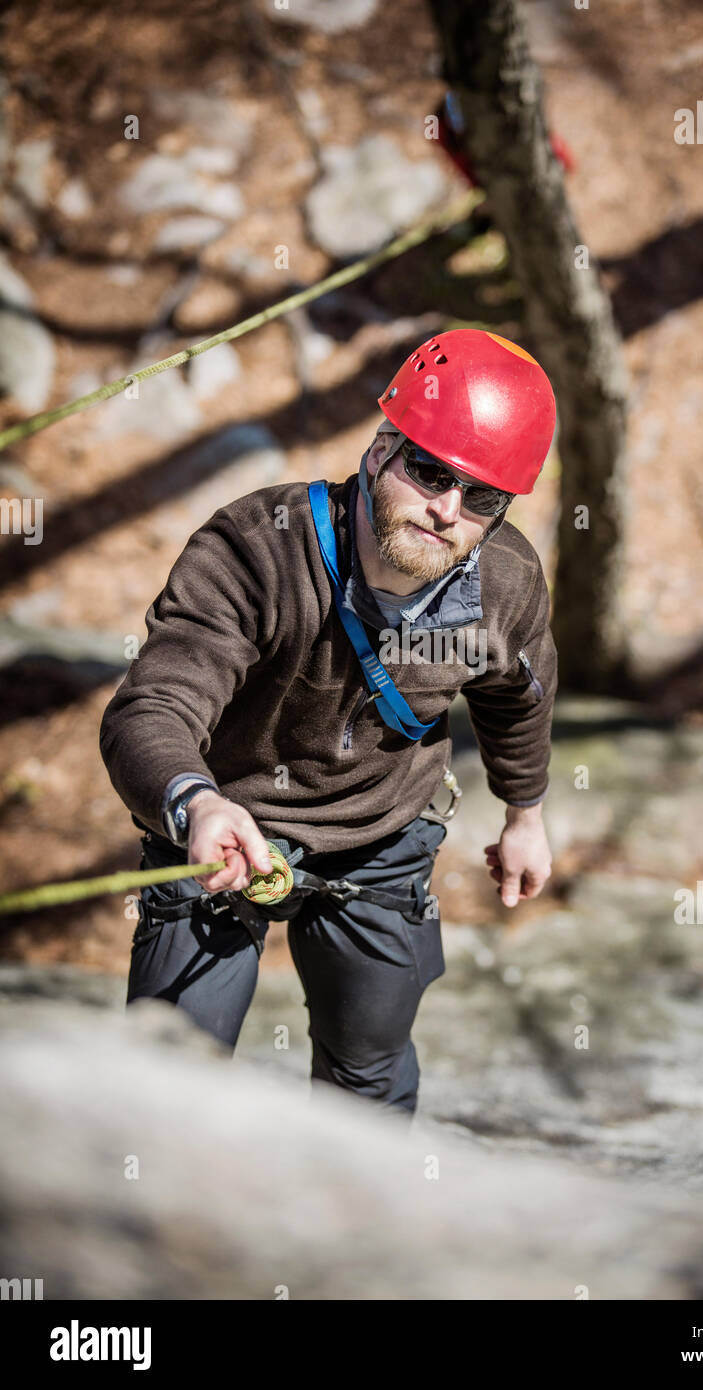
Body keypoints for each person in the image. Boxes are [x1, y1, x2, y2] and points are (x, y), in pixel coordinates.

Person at [99, 327, 558, 1119]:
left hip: (382, 840)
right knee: (167, 1085)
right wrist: (194, 803)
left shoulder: (504, 584)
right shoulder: (255, 551)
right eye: (430, 471)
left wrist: (526, 814)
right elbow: (155, 703)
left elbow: (519, 692)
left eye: (480, 497)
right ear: (382, 449)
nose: (448, 509)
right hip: (226, 831)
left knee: (367, 1078)